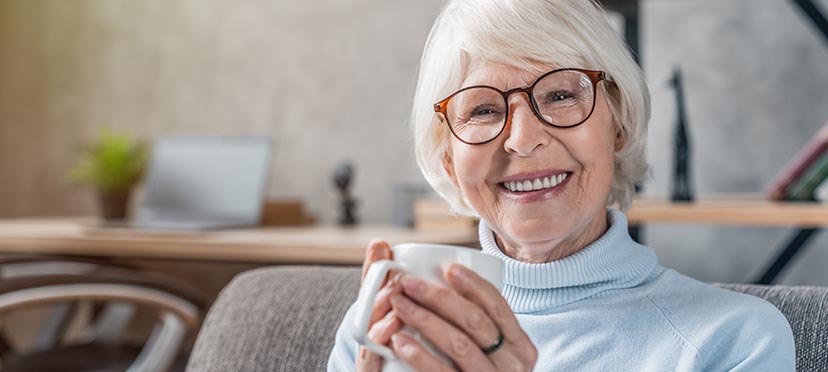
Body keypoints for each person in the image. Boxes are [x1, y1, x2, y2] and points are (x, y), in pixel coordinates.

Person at [328, 0, 796, 370]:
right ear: (449, 156)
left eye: (560, 95)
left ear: (619, 124)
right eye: (484, 109)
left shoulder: (736, 342)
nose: (524, 140)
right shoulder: (380, 327)